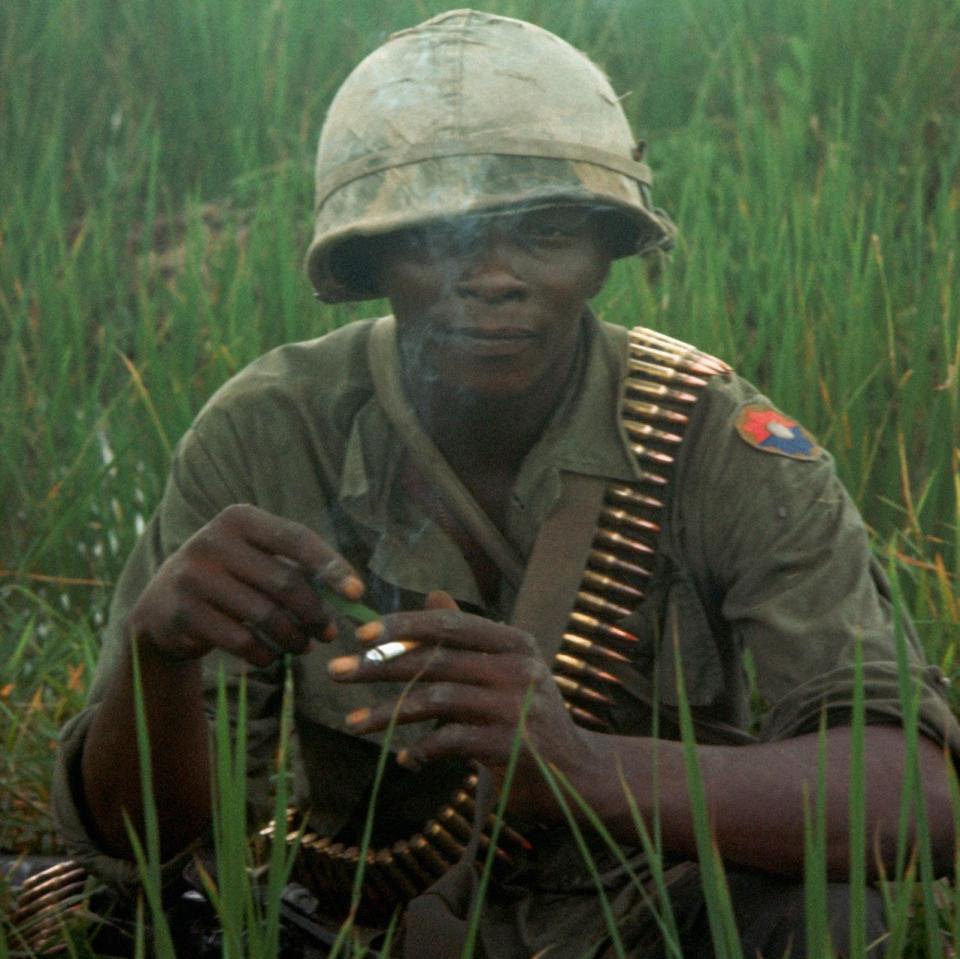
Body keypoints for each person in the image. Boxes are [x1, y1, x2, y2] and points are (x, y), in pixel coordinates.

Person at [53, 9, 958, 957]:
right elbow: (147, 852)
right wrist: (158, 662)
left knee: (848, 922)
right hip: (383, 930)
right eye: (435, 236)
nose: (490, 278)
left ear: (608, 249)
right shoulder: (272, 433)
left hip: (666, 912)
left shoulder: (713, 438)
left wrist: (585, 769)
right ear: (369, 261)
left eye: (546, 231)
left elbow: (919, 794)